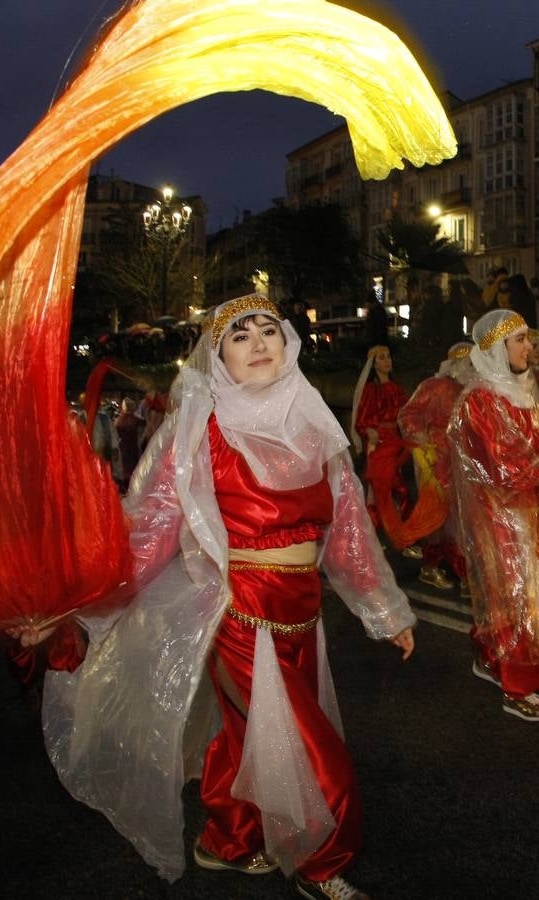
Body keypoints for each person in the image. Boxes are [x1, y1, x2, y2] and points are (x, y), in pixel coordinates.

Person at [32, 291, 416, 899]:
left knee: (247, 731)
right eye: (239, 336)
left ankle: (228, 840)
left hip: (301, 610)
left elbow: (347, 527)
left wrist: (383, 609)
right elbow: (151, 528)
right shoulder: (199, 433)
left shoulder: (311, 419)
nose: (258, 340)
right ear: (218, 361)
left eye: (267, 328)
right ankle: (322, 861)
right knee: (310, 747)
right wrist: (70, 605)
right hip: (240, 611)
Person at [447, 308, 539, 721]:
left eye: (527, 338)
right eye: (519, 339)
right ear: (496, 349)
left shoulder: (518, 391)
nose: (529, 346)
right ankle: (518, 687)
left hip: (522, 511)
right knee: (520, 598)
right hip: (499, 516)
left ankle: (490, 657)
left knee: (512, 595)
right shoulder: (483, 399)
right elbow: (505, 465)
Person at [398, 341, 475, 595]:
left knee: (463, 517)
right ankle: (432, 566)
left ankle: (464, 570)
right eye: (468, 363)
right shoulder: (434, 386)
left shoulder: (472, 390)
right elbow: (408, 415)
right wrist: (424, 443)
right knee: (439, 515)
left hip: (463, 460)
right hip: (437, 460)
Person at [349, 345, 418, 558]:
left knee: (400, 491)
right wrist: (370, 432)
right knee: (384, 492)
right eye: (382, 358)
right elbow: (362, 420)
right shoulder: (372, 389)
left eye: (388, 357)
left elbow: (407, 414)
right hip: (380, 446)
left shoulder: (396, 388)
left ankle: (399, 537)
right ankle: (391, 539)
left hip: (397, 443)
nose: (387, 361)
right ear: (374, 364)